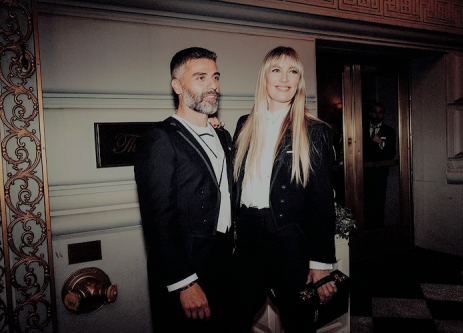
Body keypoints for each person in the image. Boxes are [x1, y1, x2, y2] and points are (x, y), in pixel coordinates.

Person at [230, 46, 338, 333]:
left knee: (297, 321)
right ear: (264, 78)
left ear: (299, 81)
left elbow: (322, 202)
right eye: (276, 70)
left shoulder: (315, 131)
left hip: (290, 239)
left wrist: (321, 264)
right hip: (249, 236)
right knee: (235, 314)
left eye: (293, 71)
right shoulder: (244, 125)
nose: (285, 78)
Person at [134, 47, 233, 333]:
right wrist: (185, 283)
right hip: (186, 269)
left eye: (215, 77)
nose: (213, 85)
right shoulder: (159, 139)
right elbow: (157, 220)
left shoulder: (223, 136)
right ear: (177, 85)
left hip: (224, 265)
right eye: (200, 77)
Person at [363, 102, 396, 229]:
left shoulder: (389, 131)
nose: (377, 114)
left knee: (379, 204)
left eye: (380, 112)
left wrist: (381, 142)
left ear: (383, 115)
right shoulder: (361, 128)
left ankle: (378, 233)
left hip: (380, 175)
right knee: (365, 204)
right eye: (375, 111)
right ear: (370, 113)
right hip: (364, 174)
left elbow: (391, 154)